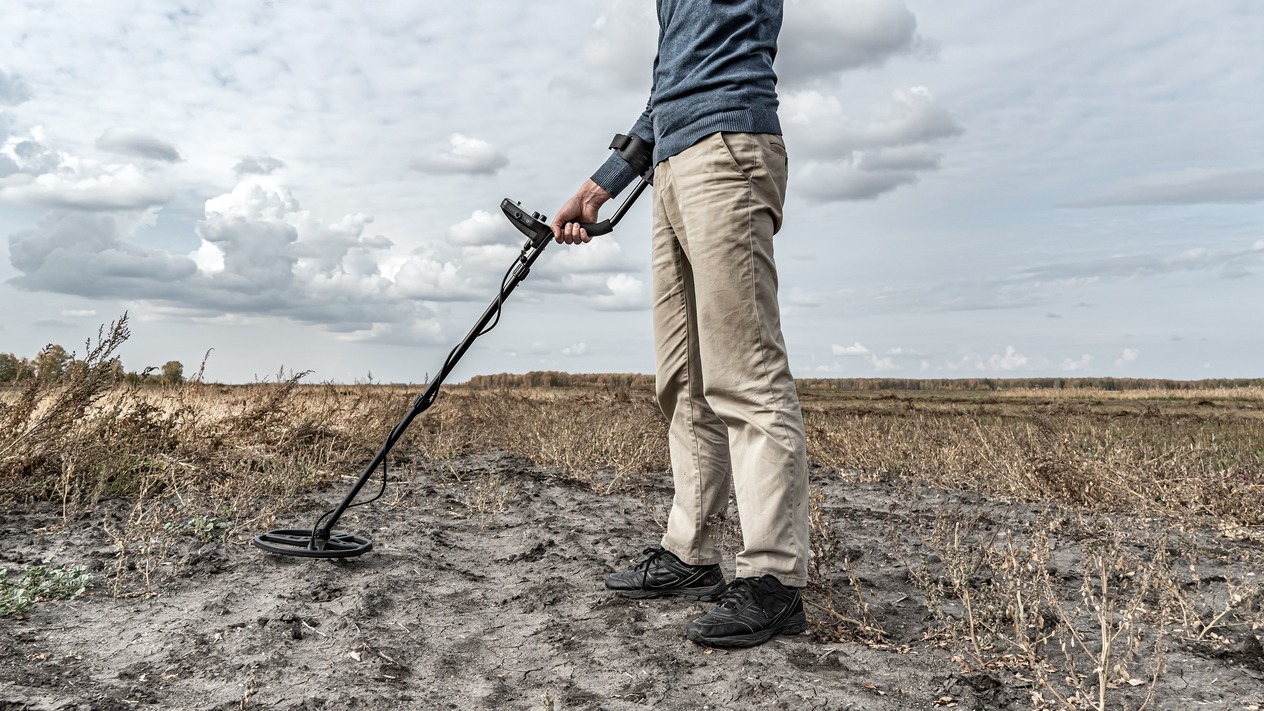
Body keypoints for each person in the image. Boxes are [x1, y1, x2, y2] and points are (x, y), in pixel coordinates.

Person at [551, 0, 808, 649]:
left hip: (728, 148)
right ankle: (691, 552)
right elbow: (673, 72)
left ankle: (773, 578)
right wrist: (607, 178)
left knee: (744, 373)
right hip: (673, 160)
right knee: (683, 378)